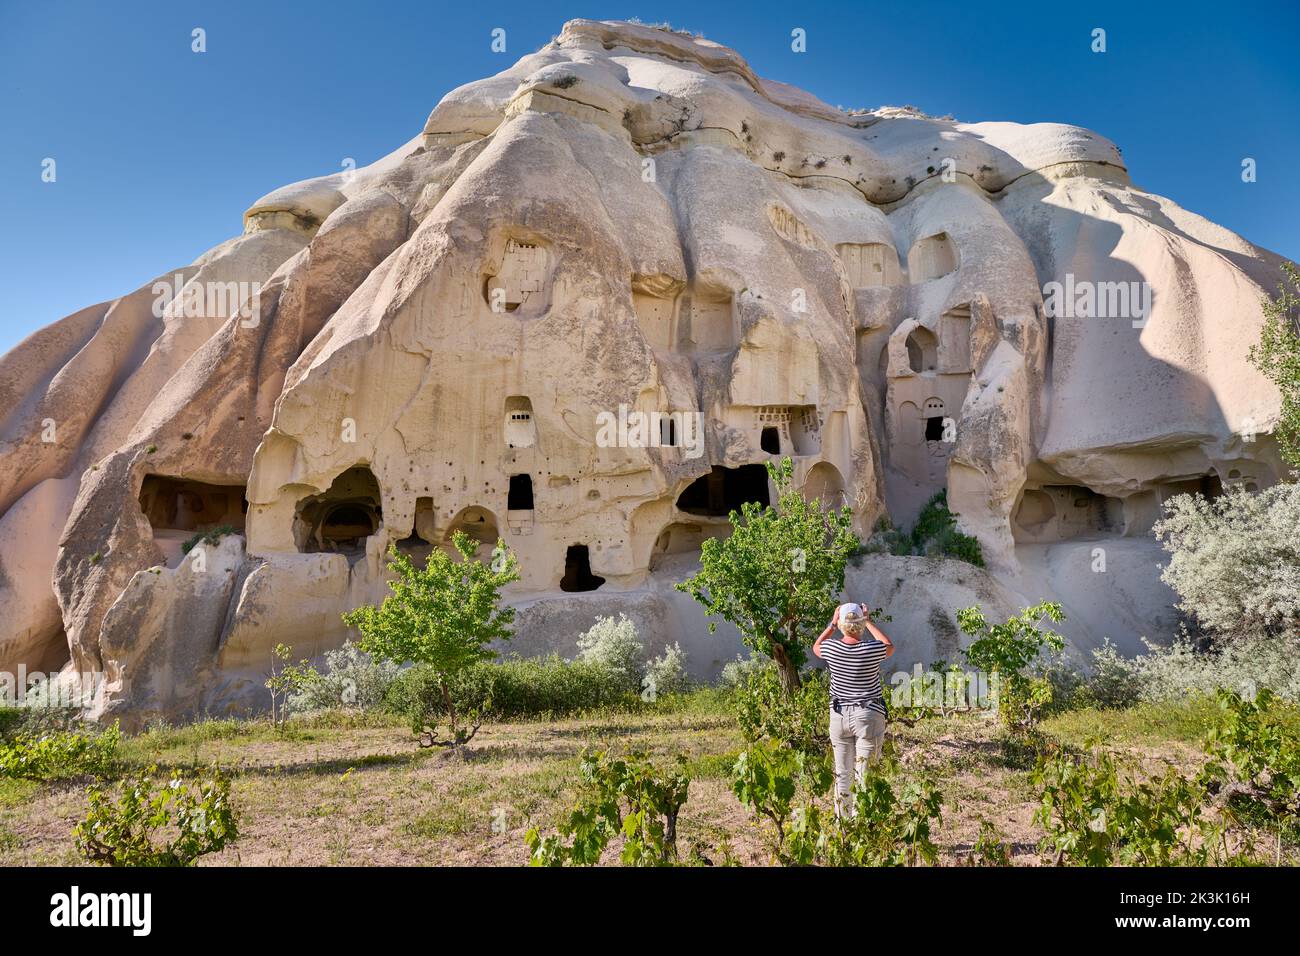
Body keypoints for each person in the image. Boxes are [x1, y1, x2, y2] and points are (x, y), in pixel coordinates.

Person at [812, 602, 895, 817]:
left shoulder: (831, 648)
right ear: (860, 626)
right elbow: (889, 645)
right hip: (868, 715)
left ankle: (843, 827)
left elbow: (816, 647)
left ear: (841, 625)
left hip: (839, 716)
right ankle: (862, 826)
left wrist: (832, 624)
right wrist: (868, 621)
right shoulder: (872, 649)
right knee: (864, 775)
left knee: (843, 774)